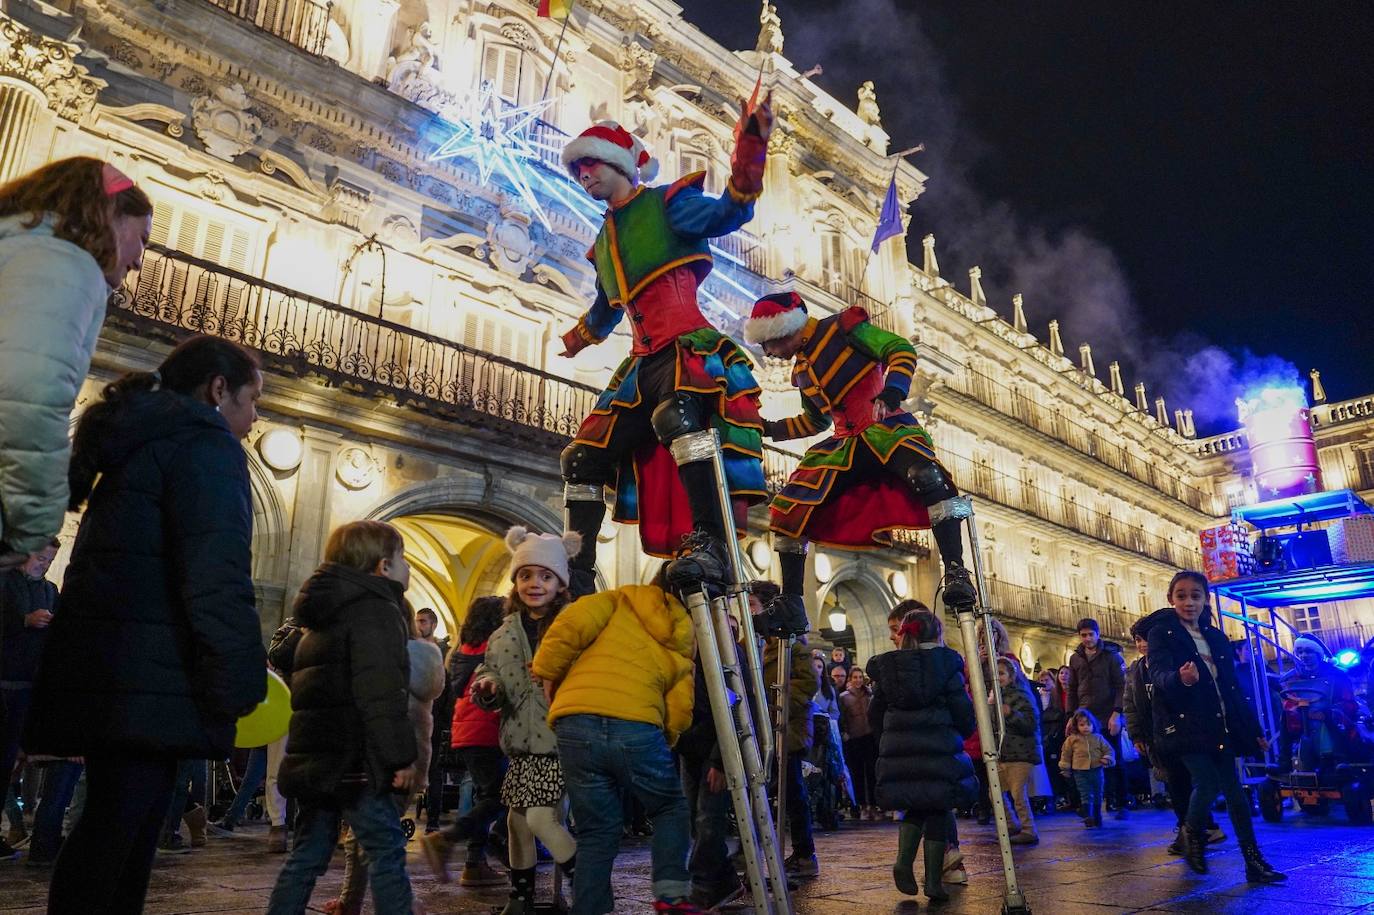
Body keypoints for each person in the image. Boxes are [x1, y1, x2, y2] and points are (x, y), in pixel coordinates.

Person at [24, 335, 266, 915]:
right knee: (119, 843)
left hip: (119, 669)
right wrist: (239, 676)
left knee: (112, 832)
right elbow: (216, 575)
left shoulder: (141, 444)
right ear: (217, 390)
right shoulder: (204, 447)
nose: (255, 419)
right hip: (156, 675)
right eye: (253, 400)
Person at [556, 100, 775, 605]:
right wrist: (579, 337)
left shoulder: (667, 204)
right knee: (582, 457)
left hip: (687, 346)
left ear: (620, 165)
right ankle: (578, 566)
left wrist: (751, 147)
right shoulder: (603, 239)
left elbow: (730, 211)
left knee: (678, 417)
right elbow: (607, 305)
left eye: (591, 167)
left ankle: (712, 541)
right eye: (578, 172)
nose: (583, 178)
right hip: (641, 361)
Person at [745, 292, 976, 628]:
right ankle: (793, 601)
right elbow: (815, 421)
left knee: (928, 476)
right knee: (788, 509)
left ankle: (956, 570)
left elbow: (899, 349)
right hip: (845, 445)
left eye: (768, 343)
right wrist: (768, 428)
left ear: (784, 329)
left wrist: (893, 391)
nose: (768, 353)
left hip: (884, 429)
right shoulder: (802, 371)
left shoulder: (846, 328)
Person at [0, 157, 151, 571]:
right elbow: (28, 394)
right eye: (143, 238)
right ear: (109, 215)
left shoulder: (17, 246)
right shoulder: (65, 263)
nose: (139, 260)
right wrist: (32, 527)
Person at [267, 520, 420, 915]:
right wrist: (399, 756)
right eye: (403, 558)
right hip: (358, 762)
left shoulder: (320, 617)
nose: (408, 568)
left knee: (305, 858)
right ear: (383, 566)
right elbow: (381, 691)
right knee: (386, 852)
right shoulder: (378, 611)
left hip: (315, 761)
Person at [532, 562, 698, 915]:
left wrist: (546, 672)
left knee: (596, 831)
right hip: (637, 726)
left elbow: (570, 625)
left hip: (574, 722)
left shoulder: (615, 599)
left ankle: (589, 909)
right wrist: (661, 739)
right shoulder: (682, 635)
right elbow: (680, 706)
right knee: (670, 807)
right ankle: (670, 896)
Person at [1146, 570, 1285, 882]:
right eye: (1181, 595)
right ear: (1171, 599)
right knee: (1207, 783)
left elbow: (1232, 689)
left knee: (1236, 795)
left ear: (1205, 599)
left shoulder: (1215, 637)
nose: (1189, 601)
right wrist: (1180, 679)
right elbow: (1158, 675)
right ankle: (1193, 833)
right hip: (1184, 724)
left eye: (1196, 595)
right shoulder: (1162, 634)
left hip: (1219, 723)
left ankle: (1253, 861)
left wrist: (1252, 730)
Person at [470, 528, 579, 915]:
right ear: (515, 582)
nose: (535, 584)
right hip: (519, 742)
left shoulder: (573, 625)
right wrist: (487, 687)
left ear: (560, 583)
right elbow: (492, 673)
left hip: (558, 740)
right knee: (517, 824)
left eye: (546, 576)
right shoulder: (503, 634)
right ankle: (520, 898)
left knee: (541, 819)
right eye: (526, 575)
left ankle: (587, 885)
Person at [328, 601, 445, 915]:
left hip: (390, 760)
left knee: (377, 839)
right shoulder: (427, 657)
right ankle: (352, 902)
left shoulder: (385, 658)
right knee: (362, 836)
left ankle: (397, 906)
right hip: (398, 759)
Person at [867, 607, 976, 902]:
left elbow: (874, 713)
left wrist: (887, 741)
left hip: (900, 749)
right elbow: (961, 707)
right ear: (937, 633)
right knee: (939, 808)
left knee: (914, 806)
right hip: (939, 747)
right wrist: (966, 730)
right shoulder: (945, 664)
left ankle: (903, 862)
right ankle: (932, 881)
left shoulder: (888, 668)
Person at [421, 595, 508, 887]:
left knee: (489, 794)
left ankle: (476, 862)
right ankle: (449, 839)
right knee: (502, 795)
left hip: (467, 732)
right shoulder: (493, 649)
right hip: (486, 729)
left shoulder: (463, 650)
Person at [1124, 614, 1224, 855]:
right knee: (1173, 784)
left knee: (1190, 781)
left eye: (1145, 639)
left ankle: (1199, 827)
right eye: (1138, 640)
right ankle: (1187, 829)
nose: (1142, 645)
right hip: (1154, 734)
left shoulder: (1169, 662)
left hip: (1178, 732)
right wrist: (1136, 735)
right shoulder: (1136, 670)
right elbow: (1130, 704)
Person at [676, 607, 745, 908]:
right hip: (688, 748)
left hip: (716, 748)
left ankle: (701, 885)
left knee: (709, 819)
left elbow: (733, 709)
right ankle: (728, 879)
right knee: (695, 818)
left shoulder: (725, 655)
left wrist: (720, 760)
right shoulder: (682, 652)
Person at [754, 581, 820, 878]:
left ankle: (805, 853)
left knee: (792, 791)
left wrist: (775, 700)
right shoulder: (751, 642)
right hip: (762, 727)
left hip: (786, 727)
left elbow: (808, 684)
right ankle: (754, 849)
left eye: (752, 604)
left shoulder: (792, 643)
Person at [0, 540, 59, 857]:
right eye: (41, 558)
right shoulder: (6, 583)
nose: (45, 565)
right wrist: (24, 620)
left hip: (31, 684)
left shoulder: (50, 590)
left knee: (22, 759)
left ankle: (24, 825)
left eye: (51, 560)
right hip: (6, 682)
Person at [1066, 617, 1129, 817]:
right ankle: (1090, 802)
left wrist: (1117, 713)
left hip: (1108, 712)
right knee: (1085, 758)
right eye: (1083, 635)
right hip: (1085, 715)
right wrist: (1071, 715)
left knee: (1112, 756)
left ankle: (1119, 800)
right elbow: (1073, 687)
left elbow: (1121, 685)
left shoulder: (1110, 656)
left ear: (1098, 633)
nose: (1087, 639)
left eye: (1090, 634)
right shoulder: (1075, 658)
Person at [995, 657, 1043, 845]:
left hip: (1021, 751)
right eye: (995, 674)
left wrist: (1011, 713)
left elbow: (1030, 723)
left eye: (1001, 673)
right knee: (996, 791)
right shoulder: (995, 695)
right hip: (1003, 751)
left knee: (1017, 792)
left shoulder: (1021, 694)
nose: (998, 678)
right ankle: (1011, 824)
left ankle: (1029, 829)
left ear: (1011, 675)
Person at [1059, 710, 1114, 828]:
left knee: (1098, 792)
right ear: (1076, 726)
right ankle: (1088, 817)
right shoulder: (1071, 740)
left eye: (1088, 724)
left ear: (1093, 725)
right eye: (1082, 725)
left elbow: (1109, 750)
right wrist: (1065, 768)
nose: (1086, 727)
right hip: (1080, 771)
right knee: (1085, 793)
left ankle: (1097, 815)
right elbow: (1066, 754)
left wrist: (1107, 759)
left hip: (1097, 769)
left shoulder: (1098, 738)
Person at [839, 665, 878, 821]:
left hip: (869, 737)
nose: (858, 680)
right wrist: (845, 733)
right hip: (854, 738)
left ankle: (873, 806)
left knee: (872, 772)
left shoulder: (869, 694)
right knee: (858, 774)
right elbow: (843, 718)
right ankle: (862, 805)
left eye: (860, 677)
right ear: (850, 679)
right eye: (855, 677)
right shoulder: (844, 697)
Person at [1036, 669, 1070, 810]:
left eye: (1047, 680)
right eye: (1041, 681)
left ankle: (1062, 794)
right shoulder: (1038, 696)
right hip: (1044, 735)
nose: (1044, 684)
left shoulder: (1056, 696)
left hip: (1056, 734)